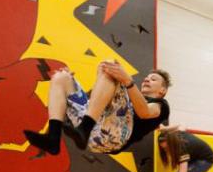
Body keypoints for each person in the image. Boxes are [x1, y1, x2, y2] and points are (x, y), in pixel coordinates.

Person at [25, 61, 170, 155]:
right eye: (147, 77)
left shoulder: (161, 105)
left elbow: (145, 112)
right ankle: (53, 138)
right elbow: (94, 103)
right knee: (61, 77)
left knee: (111, 66)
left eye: (153, 79)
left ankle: (85, 128)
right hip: (93, 131)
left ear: (162, 90)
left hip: (114, 138)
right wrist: (70, 84)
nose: (147, 79)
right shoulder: (121, 94)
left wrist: (127, 81)